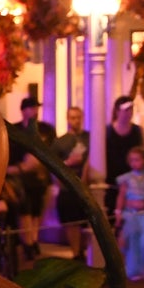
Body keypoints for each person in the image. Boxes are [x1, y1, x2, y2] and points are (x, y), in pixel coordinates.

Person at [8, 97, 56, 260]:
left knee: (37, 209)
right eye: (32, 108)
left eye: (36, 108)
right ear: (24, 110)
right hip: (20, 177)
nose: (35, 111)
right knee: (25, 209)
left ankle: (34, 239)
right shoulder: (14, 130)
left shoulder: (46, 129)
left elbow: (49, 149)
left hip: (39, 176)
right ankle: (28, 242)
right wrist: (18, 167)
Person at [114, 146, 144, 282]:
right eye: (132, 160)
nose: (134, 163)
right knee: (133, 240)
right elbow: (121, 196)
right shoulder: (126, 179)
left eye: (137, 160)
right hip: (130, 214)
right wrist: (118, 212)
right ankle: (133, 270)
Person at [52, 106, 92, 261]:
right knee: (71, 222)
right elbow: (53, 165)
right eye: (72, 117)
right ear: (67, 119)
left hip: (87, 186)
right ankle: (76, 254)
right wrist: (69, 162)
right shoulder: (60, 142)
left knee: (85, 222)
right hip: (67, 188)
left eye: (78, 117)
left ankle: (85, 251)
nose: (75, 120)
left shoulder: (90, 138)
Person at [102, 96, 144, 224]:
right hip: (111, 182)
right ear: (117, 111)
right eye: (125, 110)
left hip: (133, 182)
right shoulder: (107, 131)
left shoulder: (137, 131)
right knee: (112, 217)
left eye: (131, 110)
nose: (128, 113)